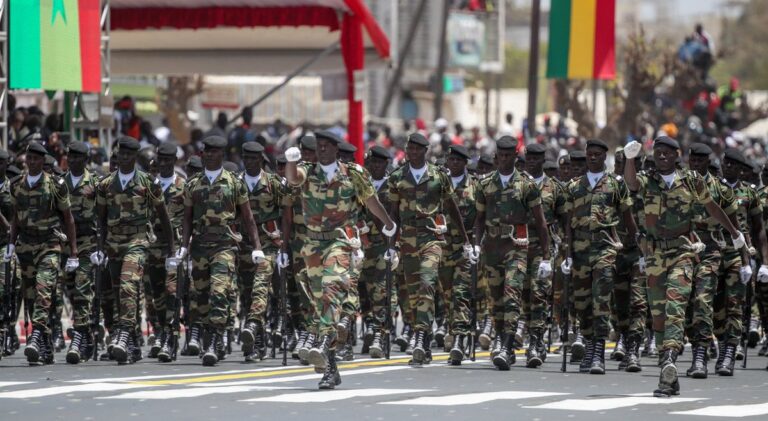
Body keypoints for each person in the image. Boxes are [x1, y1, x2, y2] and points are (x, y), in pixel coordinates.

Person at [623, 137, 752, 397]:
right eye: (657, 153)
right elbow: (631, 182)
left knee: (676, 306)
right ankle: (666, 372)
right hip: (655, 256)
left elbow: (712, 208)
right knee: (657, 316)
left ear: (676, 155)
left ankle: (670, 358)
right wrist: (629, 159)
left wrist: (735, 233)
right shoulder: (649, 180)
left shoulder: (691, 180)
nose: (661, 157)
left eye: (667, 153)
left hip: (682, 252)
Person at [284, 130, 396, 389]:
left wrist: (388, 223)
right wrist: (290, 161)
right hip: (313, 245)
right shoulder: (307, 171)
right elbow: (292, 178)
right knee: (320, 304)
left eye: (326, 146)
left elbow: (371, 201)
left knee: (331, 292)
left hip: (340, 241)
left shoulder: (353, 173)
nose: (321, 150)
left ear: (336, 149)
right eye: (318, 146)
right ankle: (330, 370)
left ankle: (322, 343)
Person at [177, 135, 264, 366]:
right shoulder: (193, 184)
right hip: (200, 247)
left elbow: (248, 217)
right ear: (203, 154)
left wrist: (257, 246)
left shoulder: (234, 183)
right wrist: (183, 246)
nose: (210, 155)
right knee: (201, 296)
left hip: (224, 246)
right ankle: (210, 335)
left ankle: (213, 342)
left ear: (221, 155)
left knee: (219, 291)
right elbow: (186, 219)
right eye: (207, 151)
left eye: (215, 152)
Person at [387, 133, 473, 366]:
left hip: (432, 239)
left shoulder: (438, 176)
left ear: (425, 151)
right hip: (407, 241)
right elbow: (393, 213)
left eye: (417, 149)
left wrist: (466, 239)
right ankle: (423, 343)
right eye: (409, 149)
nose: (413, 153)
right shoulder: (397, 177)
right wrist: (391, 246)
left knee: (427, 282)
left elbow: (452, 207)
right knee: (414, 294)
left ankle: (421, 335)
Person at [474, 136, 551, 371]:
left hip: (517, 247)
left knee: (512, 295)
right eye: (501, 155)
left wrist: (546, 257)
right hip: (492, 248)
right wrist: (476, 245)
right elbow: (479, 220)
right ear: (496, 157)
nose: (504, 159)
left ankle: (508, 346)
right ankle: (500, 337)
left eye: (509, 155)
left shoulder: (526, 184)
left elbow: (540, 222)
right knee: (496, 300)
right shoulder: (485, 184)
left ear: (515, 157)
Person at [96, 136, 174, 365]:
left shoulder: (148, 183)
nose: (124, 158)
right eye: (121, 154)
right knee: (120, 294)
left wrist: (172, 250)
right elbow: (100, 220)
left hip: (137, 242)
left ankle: (122, 334)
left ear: (135, 157)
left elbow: (163, 217)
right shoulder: (106, 184)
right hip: (113, 244)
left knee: (129, 286)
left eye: (129, 155)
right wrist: (99, 248)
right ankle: (131, 344)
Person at [562, 139, 636, 375]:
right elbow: (568, 225)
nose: (592, 158)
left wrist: (636, 250)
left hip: (605, 248)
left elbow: (628, 219)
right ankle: (590, 343)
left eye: (597, 154)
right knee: (582, 302)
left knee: (601, 299)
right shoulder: (574, 186)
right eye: (589, 154)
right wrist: (568, 254)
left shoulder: (616, 184)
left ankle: (599, 352)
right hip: (580, 251)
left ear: (605, 157)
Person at [8, 141, 78, 365]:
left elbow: (68, 218)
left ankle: (37, 335)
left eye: (36, 159)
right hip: (26, 245)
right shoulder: (16, 185)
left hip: (49, 244)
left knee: (44, 288)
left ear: (43, 160)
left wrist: (73, 252)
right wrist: (11, 243)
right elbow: (16, 218)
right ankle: (46, 346)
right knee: (30, 297)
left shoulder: (56, 185)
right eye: (29, 158)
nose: (32, 162)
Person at [237, 141, 285, 362]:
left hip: (267, 245)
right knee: (247, 294)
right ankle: (259, 342)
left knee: (260, 287)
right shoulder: (235, 183)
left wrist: (285, 244)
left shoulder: (273, 183)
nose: (249, 162)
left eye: (253, 158)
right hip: (243, 245)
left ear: (261, 160)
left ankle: (253, 327)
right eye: (245, 158)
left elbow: (286, 214)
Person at [147, 142, 187, 363]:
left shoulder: (183, 186)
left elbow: (190, 217)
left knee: (172, 291)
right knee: (157, 295)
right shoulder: (148, 185)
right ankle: (162, 330)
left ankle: (171, 337)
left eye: (167, 160)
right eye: (160, 160)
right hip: (153, 245)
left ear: (174, 162)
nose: (163, 164)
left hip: (175, 247)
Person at [61, 141, 99, 364]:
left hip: (87, 243)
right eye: (70, 156)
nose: (73, 160)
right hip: (65, 244)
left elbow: (104, 214)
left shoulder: (95, 183)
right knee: (70, 290)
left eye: (78, 157)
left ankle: (80, 335)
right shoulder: (59, 183)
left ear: (86, 160)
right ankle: (86, 331)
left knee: (83, 287)